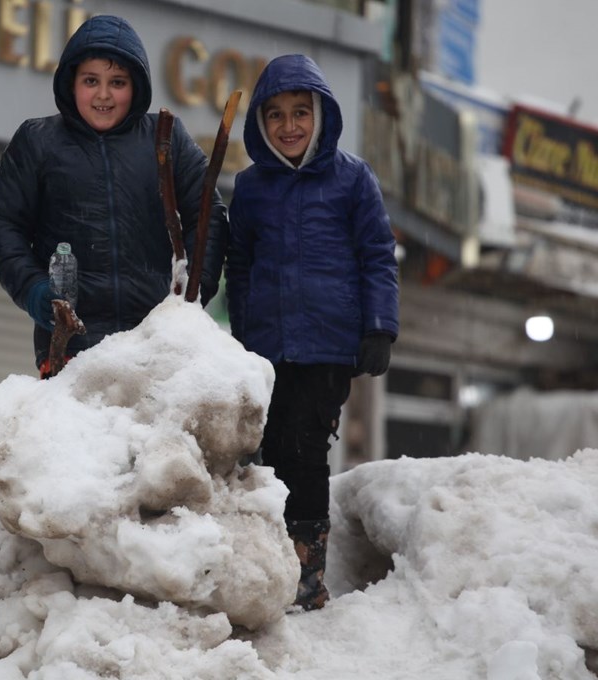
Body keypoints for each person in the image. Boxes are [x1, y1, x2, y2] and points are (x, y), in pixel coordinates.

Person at [225, 54, 399, 610]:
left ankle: (306, 568)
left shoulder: (352, 178)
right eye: (275, 115)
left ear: (322, 116)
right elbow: (241, 266)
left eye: (301, 113)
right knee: (267, 448)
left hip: (328, 343)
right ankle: (270, 562)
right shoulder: (251, 187)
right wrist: (244, 337)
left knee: (304, 445)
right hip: (268, 347)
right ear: (260, 123)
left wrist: (378, 328)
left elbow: (377, 256)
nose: (290, 126)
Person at [0, 15, 228, 375]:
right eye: (91, 81)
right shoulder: (38, 142)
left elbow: (208, 214)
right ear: (71, 82)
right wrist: (36, 291)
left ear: (136, 86)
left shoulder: (165, 138)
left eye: (118, 82)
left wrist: (192, 295)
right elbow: (2, 226)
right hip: (70, 347)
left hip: (156, 346)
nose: (103, 95)